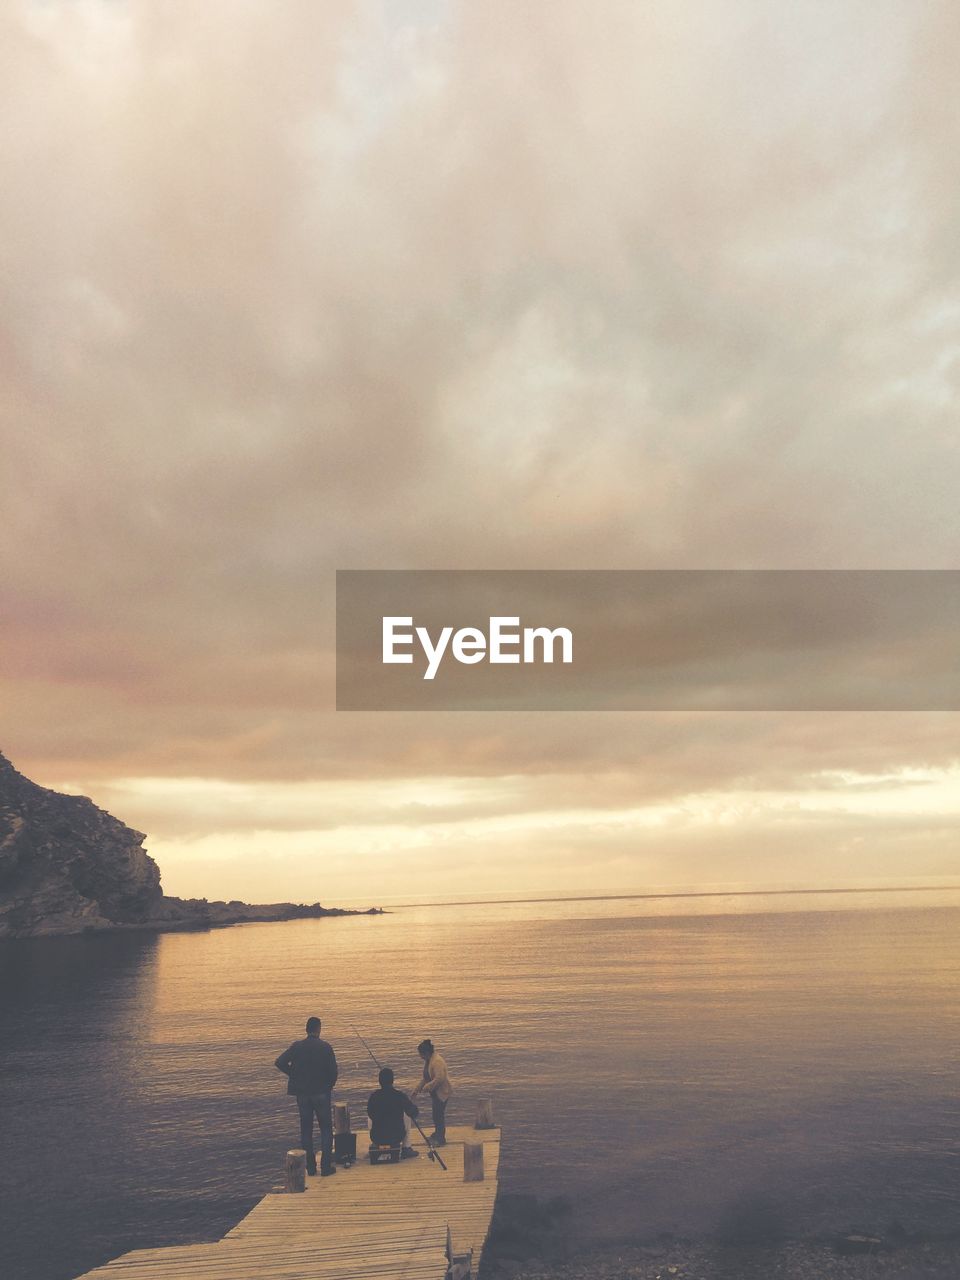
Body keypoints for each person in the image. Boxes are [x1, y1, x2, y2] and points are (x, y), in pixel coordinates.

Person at [274, 1016, 338, 1177]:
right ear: (319, 1029)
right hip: (321, 1092)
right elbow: (333, 1072)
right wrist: (328, 1085)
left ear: (306, 1029)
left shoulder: (297, 1047)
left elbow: (279, 1062)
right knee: (326, 1129)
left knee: (306, 1130)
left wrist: (294, 1075)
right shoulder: (325, 1047)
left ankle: (310, 1167)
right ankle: (325, 1167)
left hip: (302, 1094)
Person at [366, 1066, 420, 1159]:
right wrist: (413, 1104)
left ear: (379, 1081)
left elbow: (370, 1113)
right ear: (392, 1081)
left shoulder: (374, 1096)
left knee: (370, 1117)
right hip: (396, 1136)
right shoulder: (399, 1095)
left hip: (377, 1137)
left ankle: (375, 1145)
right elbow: (414, 1113)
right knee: (407, 1115)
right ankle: (406, 1148)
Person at [411, 1038, 452, 1146]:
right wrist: (416, 1090)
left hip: (442, 1092)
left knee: (438, 1115)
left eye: (421, 1054)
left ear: (427, 1053)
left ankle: (441, 1139)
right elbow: (425, 1077)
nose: (420, 1057)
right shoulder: (429, 1061)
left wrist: (427, 1087)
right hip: (435, 1093)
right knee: (435, 1115)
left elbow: (440, 1078)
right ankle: (437, 1134)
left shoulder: (437, 1061)